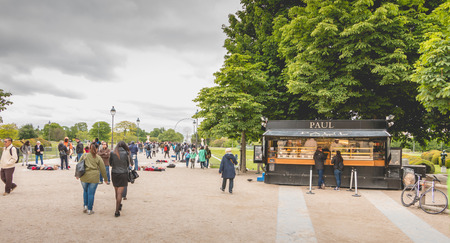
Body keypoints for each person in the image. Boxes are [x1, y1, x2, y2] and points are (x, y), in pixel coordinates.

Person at [78, 143, 108, 215]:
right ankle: (90, 209)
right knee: (91, 193)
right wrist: (105, 179)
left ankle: (85, 205)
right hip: (94, 177)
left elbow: (79, 165)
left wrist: (77, 175)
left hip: (84, 176)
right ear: (97, 149)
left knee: (85, 191)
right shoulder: (98, 157)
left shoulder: (84, 155)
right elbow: (103, 169)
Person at [110, 141, 133, 217]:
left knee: (116, 191)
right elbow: (128, 164)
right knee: (120, 192)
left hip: (114, 173)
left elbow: (110, 163)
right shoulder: (126, 153)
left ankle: (118, 205)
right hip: (123, 173)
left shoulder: (113, 152)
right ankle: (117, 210)